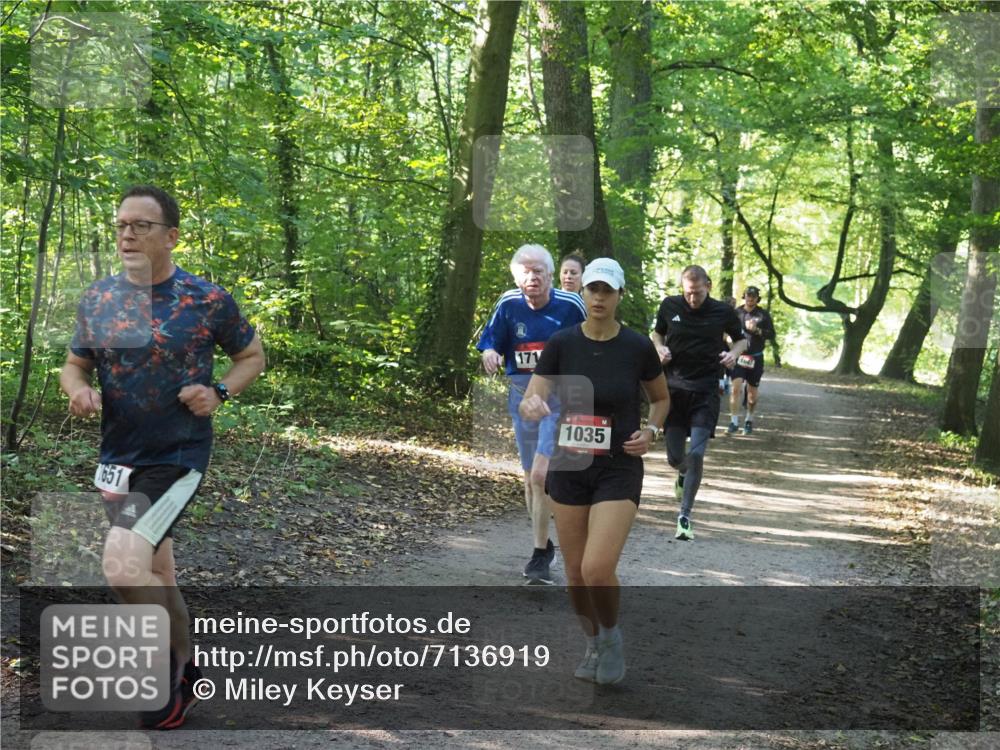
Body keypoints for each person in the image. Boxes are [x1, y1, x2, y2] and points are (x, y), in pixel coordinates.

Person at [60, 185, 265, 729]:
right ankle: (188, 664)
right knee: (155, 572)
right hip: (118, 459)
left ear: (171, 236)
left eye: (141, 225)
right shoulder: (100, 299)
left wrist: (219, 392)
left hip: (176, 457)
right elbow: (74, 364)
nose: (127, 234)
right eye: (121, 224)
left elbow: (251, 355)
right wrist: (76, 388)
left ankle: (163, 676)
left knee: (123, 566)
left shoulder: (205, 299)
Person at [519, 257, 668, 685]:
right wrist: (533, 405)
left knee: (596, 568)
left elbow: (660, 400)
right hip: (571, 465)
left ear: (620, 295)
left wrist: (652, 431)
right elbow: (535, 395)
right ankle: (592, 643)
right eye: (593, 289)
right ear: (582, 293)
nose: (599, 297)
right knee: (572, 573)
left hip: (619, 465)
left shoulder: (637, 347)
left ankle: (612, 635)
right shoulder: (562, 343)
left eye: (608, 290)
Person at [477, 244, 586, 584]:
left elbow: (592, 345)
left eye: (539, 270)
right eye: (526, 270)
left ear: (551, 275)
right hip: (521, 399)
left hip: (558, 402)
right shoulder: (508, 304)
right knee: (529, 479)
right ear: (516, 276)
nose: (532, 276)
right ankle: (545, 543)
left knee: (541, 476)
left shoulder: (570, 306)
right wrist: (491, 354)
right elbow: (490, 341)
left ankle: (539, 556)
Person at [651, 265, 746, 541]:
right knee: (675, 457)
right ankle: (681, 473)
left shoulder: (723, 312)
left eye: (698, 293)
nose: (692, 299)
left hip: (706, 390)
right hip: (675, 391)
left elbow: (742, 341)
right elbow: (657, 333)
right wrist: (659, 348)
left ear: (709, 286)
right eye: (688, 293)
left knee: (697, 454)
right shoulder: (669, 306)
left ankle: (685, 516)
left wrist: (733, 354)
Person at [727, 286, 776, 436]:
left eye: (754, 296)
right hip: (739, 356)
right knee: (735, 389)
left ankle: (748, 420)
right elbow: (725, 331)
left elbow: (772, 335)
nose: (751, 298)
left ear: (757, 298)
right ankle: (734, 422)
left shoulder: (763, 315)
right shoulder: (736, 313)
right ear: (744, 296)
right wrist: (727, 339)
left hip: (756, 357)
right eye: (748, 295)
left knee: (752, 395)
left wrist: (757, 330)